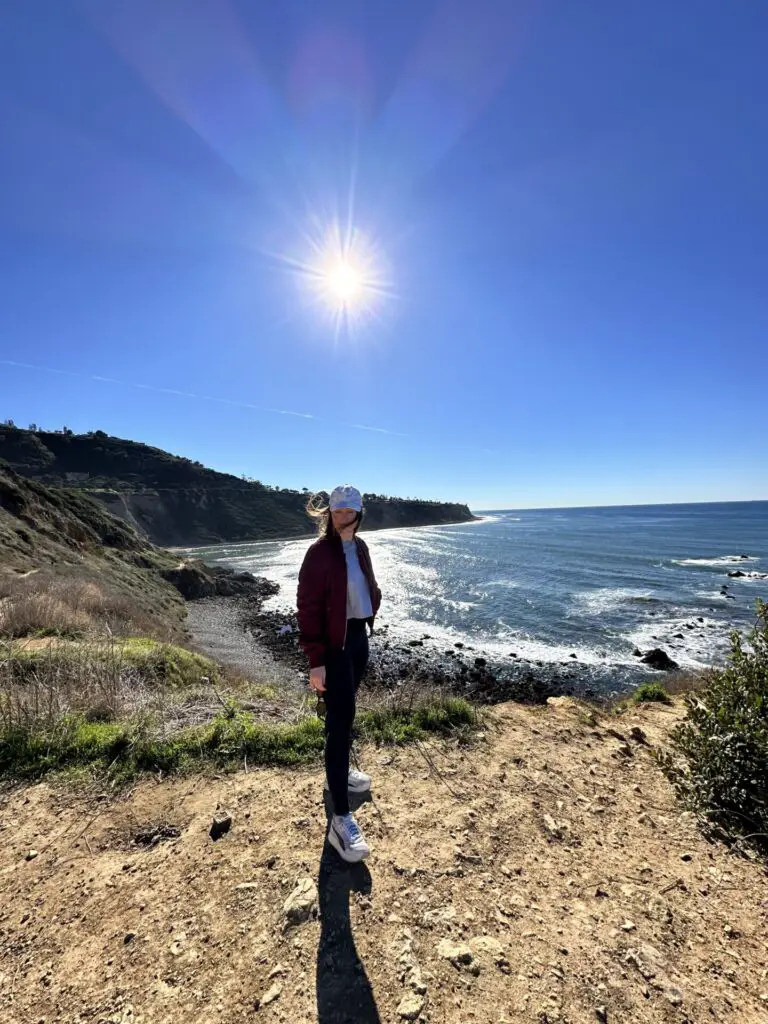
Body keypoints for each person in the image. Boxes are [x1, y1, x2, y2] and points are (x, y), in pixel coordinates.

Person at [297, 484, 382, 863]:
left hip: (359, 635)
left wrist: (372, 606)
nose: (342, 517)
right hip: (334, 647)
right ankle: (340, 821)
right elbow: (307, 606)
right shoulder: (318, 553)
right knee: (338, 719)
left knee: (346, 713)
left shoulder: (361, 547)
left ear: (359, 513)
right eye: (336, 511)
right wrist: (316, 659)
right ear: (328, 514)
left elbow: (366, 585)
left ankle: (342, 773)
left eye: (348, 512)